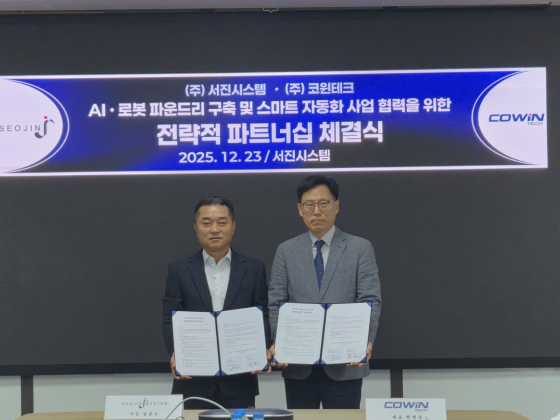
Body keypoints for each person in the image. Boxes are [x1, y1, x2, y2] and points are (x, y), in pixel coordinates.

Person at [268, 175, 382, 409]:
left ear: (336, 206)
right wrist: (280, 343)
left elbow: (370, 299)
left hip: (345, 365)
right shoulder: (286, 251)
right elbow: (276, 303)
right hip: (298, 366)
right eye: (309, 205)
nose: (317, 211)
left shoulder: (360, 248)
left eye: (323, 203)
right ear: (300, 209)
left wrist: (365, 340)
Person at [162, 195, 270, 409]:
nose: (214, 229)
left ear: (233, 227)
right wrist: (178, 353)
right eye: (206, 223)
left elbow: (263, 315)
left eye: (222, 222)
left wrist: (261, 351)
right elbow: (169, 319)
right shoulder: (179, 270)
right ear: (196, 228)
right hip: (193, 380)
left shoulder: (254, 268)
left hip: (240, 381)